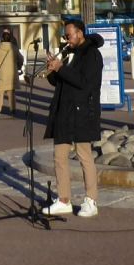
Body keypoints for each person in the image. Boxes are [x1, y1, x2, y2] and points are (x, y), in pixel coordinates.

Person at [42, 18, 103, 219]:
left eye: (69, 36)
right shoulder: (69, 53)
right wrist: (52, 69)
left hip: (83, 111)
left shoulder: (92, 55)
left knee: (84, 156)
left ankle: (91, 200)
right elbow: (59, 81)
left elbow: (84, 83)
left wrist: (61, 68)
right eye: (65, 36)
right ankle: (64, 200)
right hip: (64, 112)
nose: (66, 40)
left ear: (79, 33)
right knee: (59, 156)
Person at [0, 28, 17, 116]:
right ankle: (13, 110)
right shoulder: (14, 48)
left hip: (2, 74)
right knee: (11, 93)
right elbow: (21, 59)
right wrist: (18, 65)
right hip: (12, 74)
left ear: (2, 38)